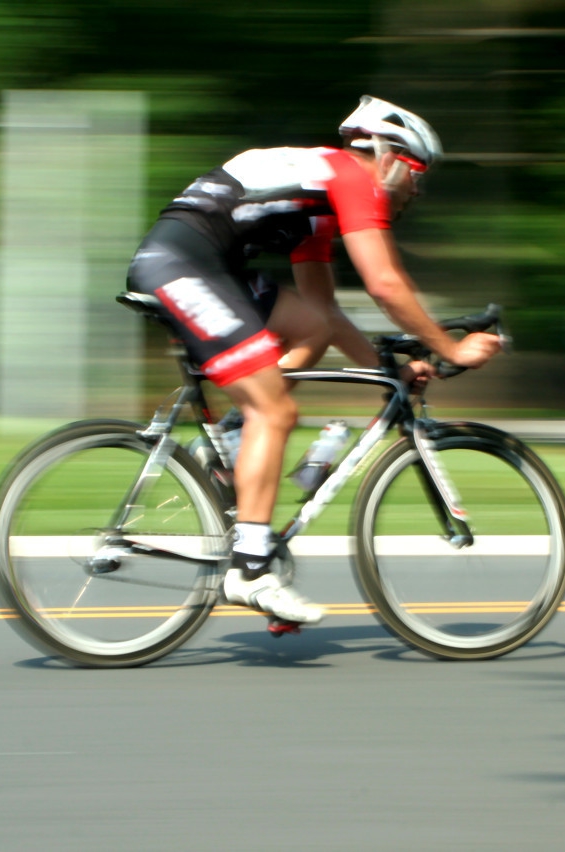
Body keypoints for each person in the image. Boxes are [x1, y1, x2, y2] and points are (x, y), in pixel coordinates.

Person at [126, 95, 503, 629]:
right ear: (387, 156)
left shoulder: (320, 194)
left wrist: (386, 368)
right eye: (417, 173)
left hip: (202, 265)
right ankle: (252, 568)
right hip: (183, 267)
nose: (417, 188)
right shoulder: (351, 178)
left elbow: (324, 313)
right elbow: (385, 284)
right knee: (275, 413)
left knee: (310, 329)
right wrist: (451, 347)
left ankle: (232, 440)